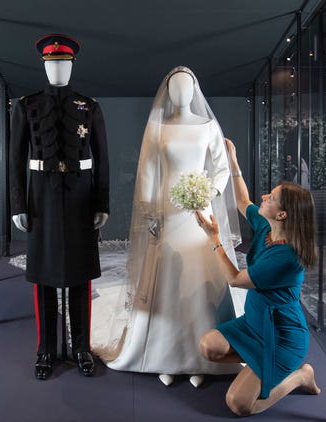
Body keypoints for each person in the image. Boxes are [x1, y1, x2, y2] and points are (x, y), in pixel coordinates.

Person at [92, 66, 243, 388]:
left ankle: (204, 358)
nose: (180, 93)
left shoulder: (208, 127)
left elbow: (220, 167)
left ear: (194, 90)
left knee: (201, 281)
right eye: (174, 87)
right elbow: (147, 171)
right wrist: (149, 214)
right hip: (166, 213)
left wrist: (209, 192)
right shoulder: (158, 128)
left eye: (186, 86)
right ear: (168, 92)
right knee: (167, 282)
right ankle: (165, 357)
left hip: (199, 213)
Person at [195, 139, 321, 415]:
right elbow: (243, 201)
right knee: (209, 347)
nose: (264, 197)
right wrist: (234, 161)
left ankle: (301, 375)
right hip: (254, 325)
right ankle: (260, 365)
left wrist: (214, 239)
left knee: (239, 404)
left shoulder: (287, 256)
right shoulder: (268, 226)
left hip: (282, 337)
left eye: (271, 198)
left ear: (283, 214)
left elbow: (235, 279)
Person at [9, 34, 109, 380]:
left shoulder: (88, 106)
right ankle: (46, 349)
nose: (58, 69)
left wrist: (102, 202)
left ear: (72, 65)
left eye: (63, 63)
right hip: (42, 200)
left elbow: (102, 160)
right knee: (45, 279)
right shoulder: (26, 106)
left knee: (79, 277)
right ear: (44, 65)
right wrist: (18, 204)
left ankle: (81, 347)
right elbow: (15, 159)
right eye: (52, 63)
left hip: (81, 199)